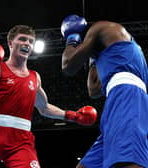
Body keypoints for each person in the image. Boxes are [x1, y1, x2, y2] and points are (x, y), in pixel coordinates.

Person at [0, 25, 97, 168]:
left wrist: (73, 116)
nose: (27, 44)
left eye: (30, 41)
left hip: (21, 140)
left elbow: (44, 108)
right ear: (10, 43)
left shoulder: (35, 77)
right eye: (22, 39)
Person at [61, 14, 148, 168]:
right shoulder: (111, 52)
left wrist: (71, 39)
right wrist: (94, 60)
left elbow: (68, 66)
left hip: (127, 97)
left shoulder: (102, 27)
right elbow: (93, 90)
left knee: (127, 162)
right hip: (117, 100)